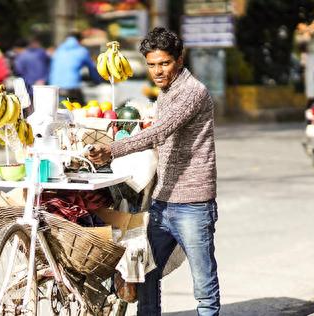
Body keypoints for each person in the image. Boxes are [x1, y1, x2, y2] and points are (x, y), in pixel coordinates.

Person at [87, 27, 220, 315]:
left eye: (164, 63)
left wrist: (112, 149)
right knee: (146, 273)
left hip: (193, 203)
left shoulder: (193, 92)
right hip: (163, 201)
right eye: (152, 64)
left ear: (179, 60)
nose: (158, 71)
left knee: (204, 285)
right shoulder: (166, 91)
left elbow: (159, 132)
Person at [48, 33, 101, 105]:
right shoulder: (82, 51)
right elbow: (92, 69)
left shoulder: (58, 50)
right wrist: (98, 81)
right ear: (79, 41)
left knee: (60, 111)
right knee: (80, 109)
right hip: (71, 89)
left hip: (54, 89)